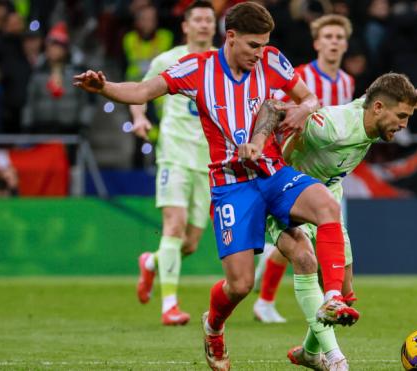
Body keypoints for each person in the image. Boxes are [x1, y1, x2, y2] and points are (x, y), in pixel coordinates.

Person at [73, 3, 357, 370]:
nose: (260, 53)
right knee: (239, 286)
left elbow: (308, 97)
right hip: (231, 184)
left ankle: (333, 296)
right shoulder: (198, 68)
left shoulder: (272, 60)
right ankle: (213, 326)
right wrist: (105, 87)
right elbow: (143, 91)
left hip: (273, 172)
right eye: (253, 45)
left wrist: (305, 108)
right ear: (232, 36)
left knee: (326, 207)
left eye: (264, 45)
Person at [241, 72, 417, 370]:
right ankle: (335, 359)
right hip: (288, 189)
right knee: (306, 260)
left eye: (407, 117)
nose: (403, 125)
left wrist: (415, 103)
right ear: (378, 110)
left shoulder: (371, 111)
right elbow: (278, 111)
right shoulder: (332, 127)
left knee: (345, 294)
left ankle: (310, 352)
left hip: (327, 194)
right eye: (401, 116)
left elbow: (378, 90)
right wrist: (265, 144)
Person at [253, 13, 354, 324]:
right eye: (328, 37)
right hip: (296, 167)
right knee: (298, 238)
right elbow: (275, 112)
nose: (333, 42)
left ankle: (333, 299)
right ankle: (267, 299)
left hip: (331, 175)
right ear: (317, 43)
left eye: (339, 37)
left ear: (345, 44)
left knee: (325, 241)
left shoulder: (348, 82)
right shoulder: (299, 77)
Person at [130, 0, 216, 326]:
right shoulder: (168, 59)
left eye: (209, 20)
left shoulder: (221, 62)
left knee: (190, 243)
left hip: (208, 162)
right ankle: (169, 306)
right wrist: (139, 119)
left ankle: (151, 263)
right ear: (186, 26)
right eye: (198, 19)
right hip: (174, 154)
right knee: (174, 226)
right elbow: (140, 92)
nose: (204, 25)